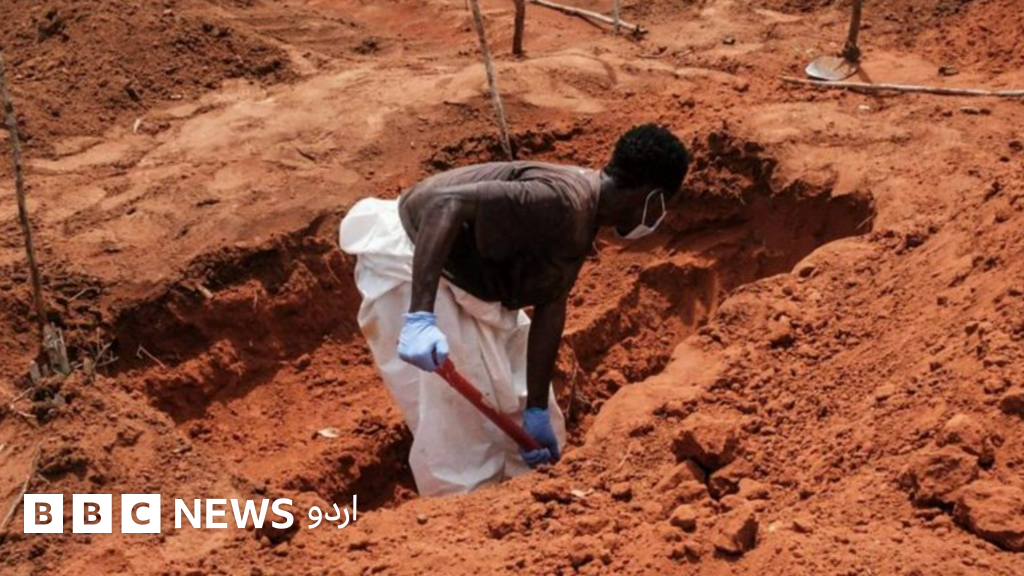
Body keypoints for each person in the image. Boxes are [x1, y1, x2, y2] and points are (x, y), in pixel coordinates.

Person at [339, 124, 689, 496]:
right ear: (651, 197)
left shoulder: (584, 216)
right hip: (418, 266)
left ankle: (528, 497)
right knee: (461, 431)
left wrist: (536, 409)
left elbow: (551, 306)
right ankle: (468, 514)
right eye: (663, 205)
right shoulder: (560, 201)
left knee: (517, 394)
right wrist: (420, 317)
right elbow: (446, 204)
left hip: (471, 284)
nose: (659, 216)